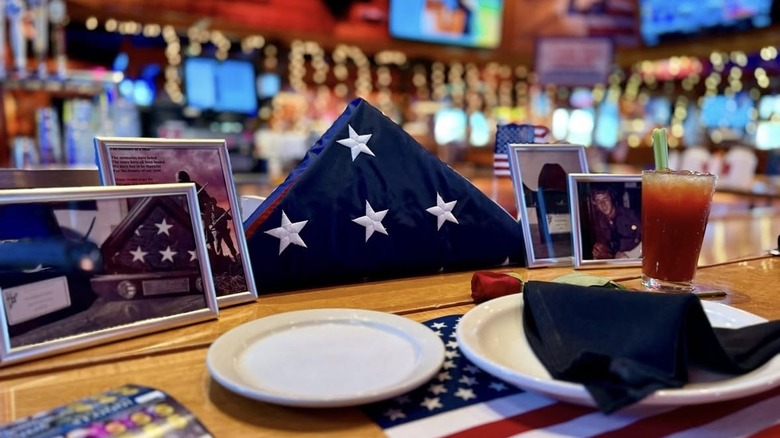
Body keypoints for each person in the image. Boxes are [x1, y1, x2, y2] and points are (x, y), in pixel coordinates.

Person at [589, 185, 642, 260]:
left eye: (605, 198)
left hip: (636, 257)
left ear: (611, 198)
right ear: (595, 205)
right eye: (598, 201)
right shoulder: (599, 222)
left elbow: (649, 239)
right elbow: (606, 248)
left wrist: (630, 256)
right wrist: (601, 251)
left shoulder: (630, 215)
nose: (603, 204)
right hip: (616, 260)